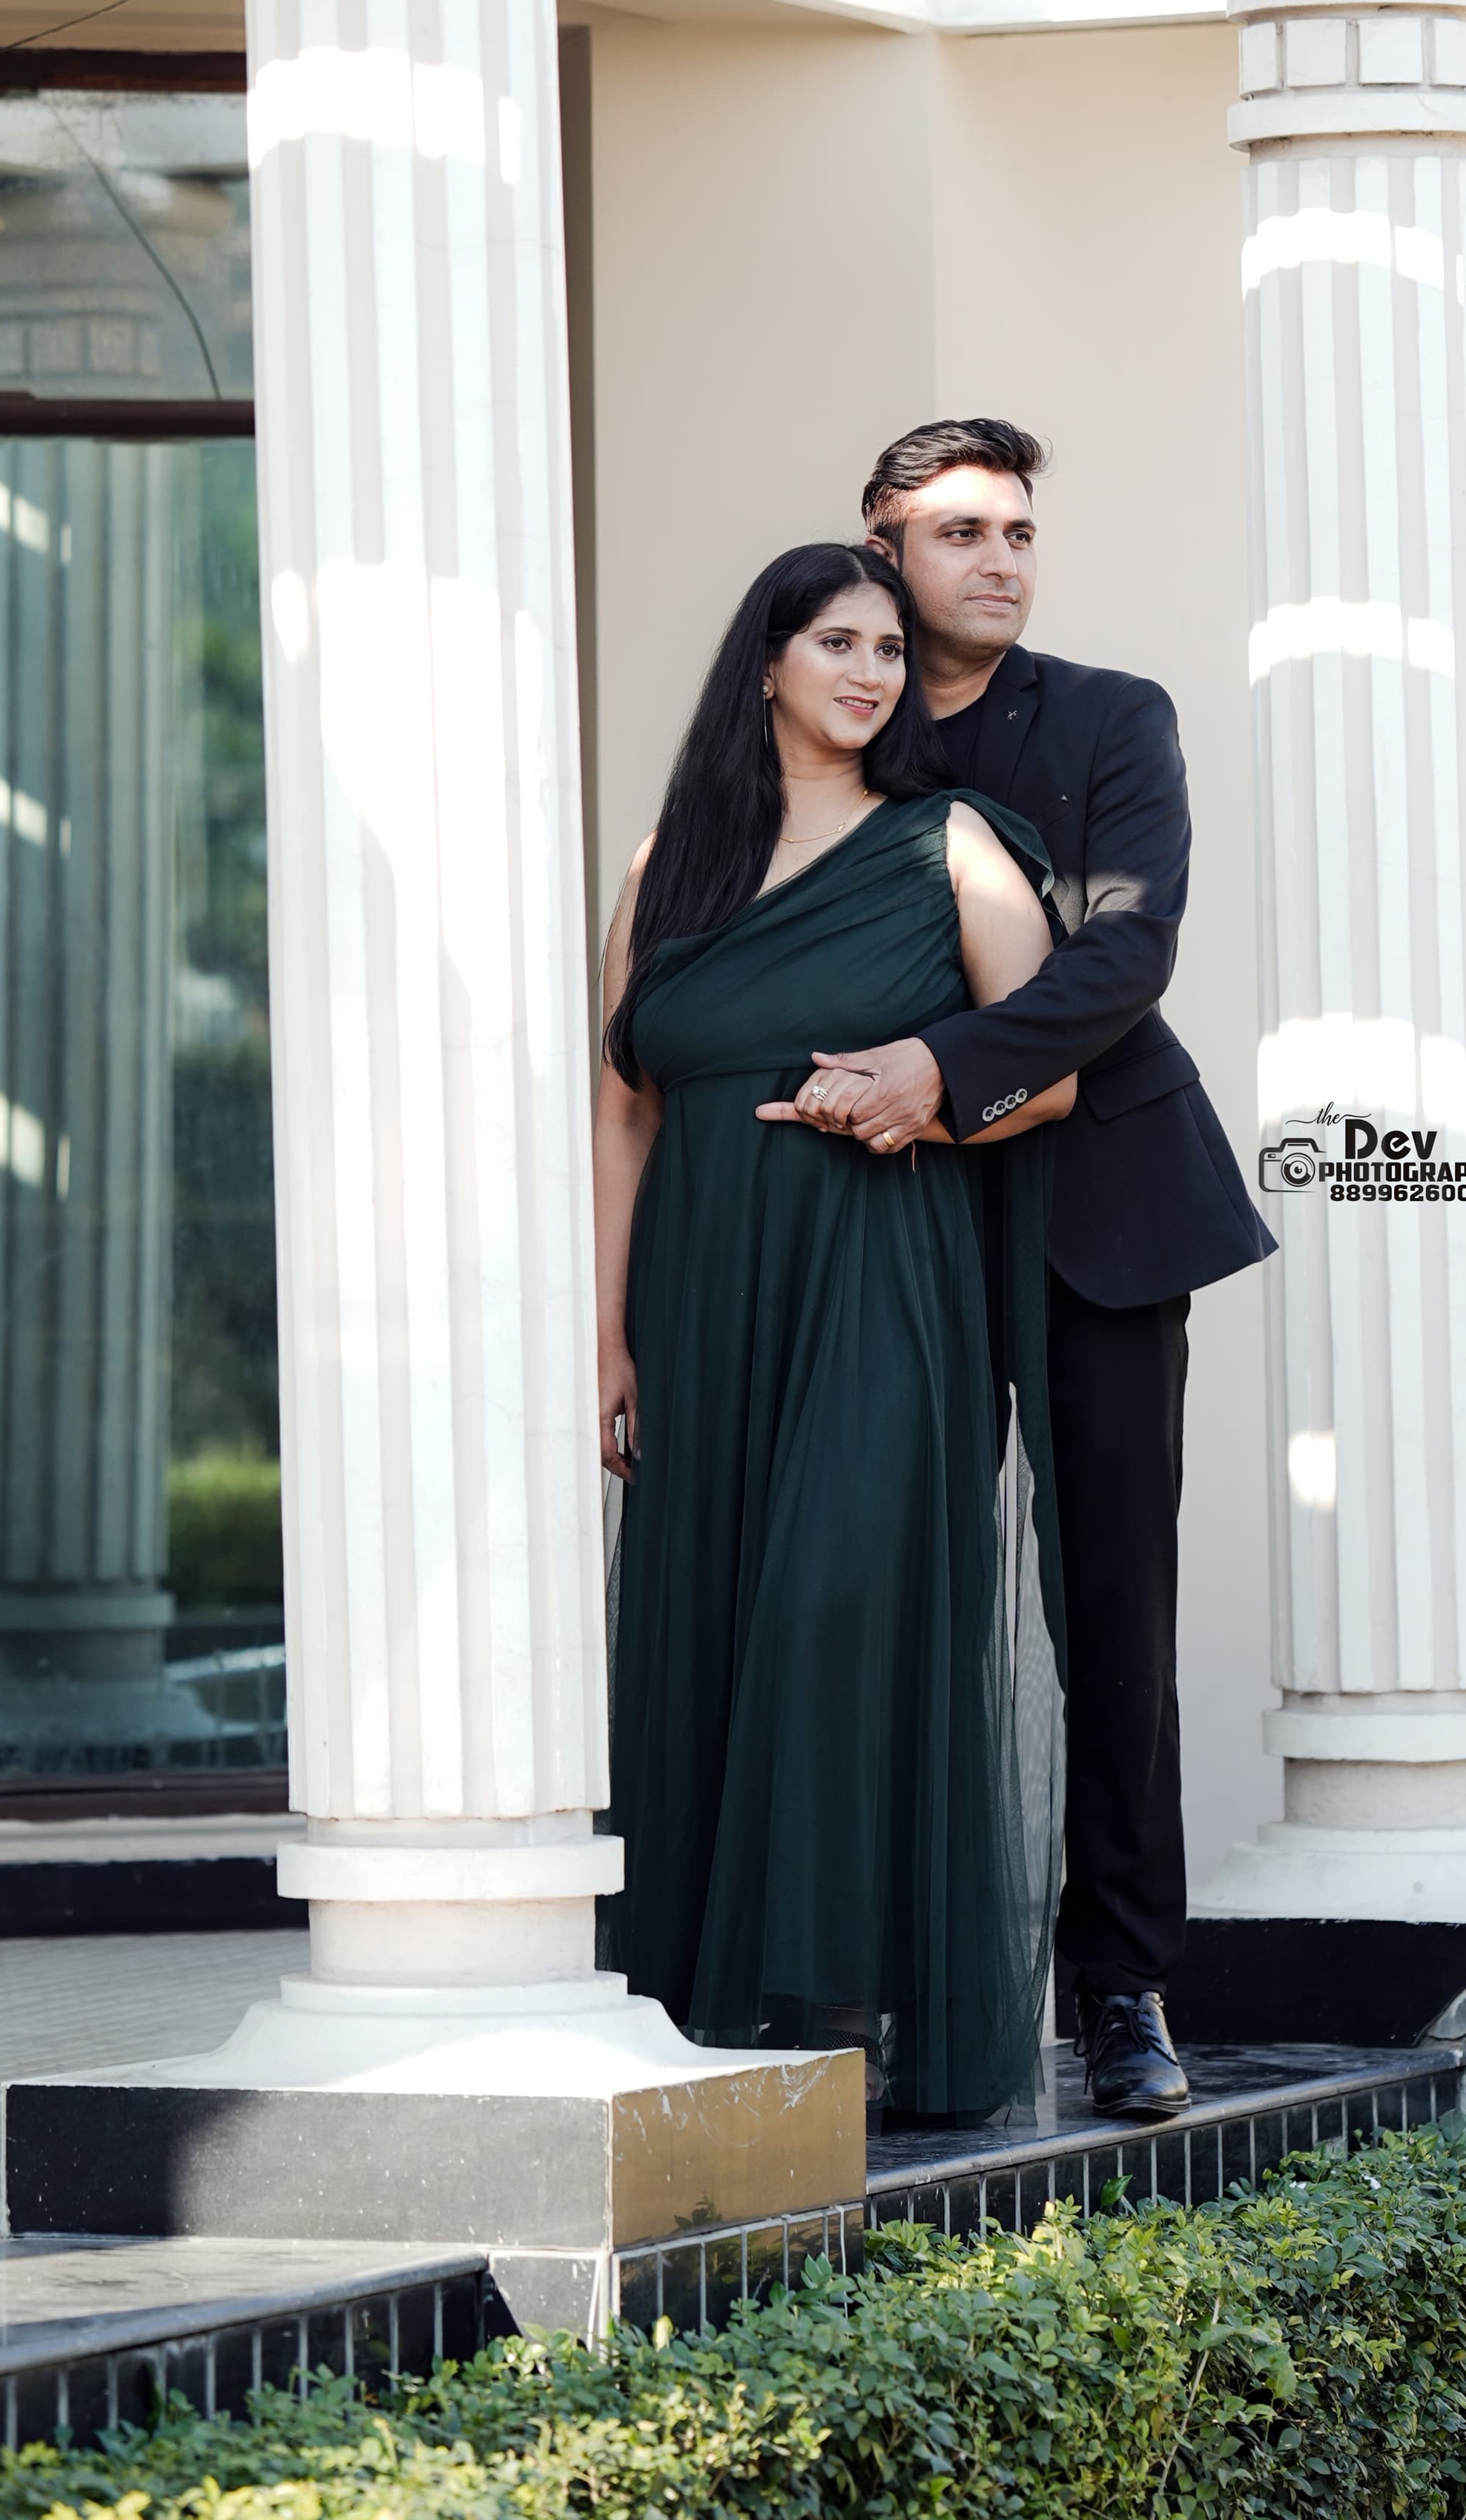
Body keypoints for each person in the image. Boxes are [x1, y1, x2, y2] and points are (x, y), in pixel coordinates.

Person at [765, 419, 1276, 2122]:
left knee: (1109, 1608)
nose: (998, 557)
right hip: (886, 1220)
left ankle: (1119, 1986)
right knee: (881, 1582)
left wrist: (941, 1064)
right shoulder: (839, 717)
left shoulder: (1115, 717)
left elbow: (1128, 946)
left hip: (1104, 1212)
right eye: (959, 530)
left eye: (1019, 531)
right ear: (881, 544)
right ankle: (875, 1964)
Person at [592, 539, 1074, 2131]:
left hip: (880, 1274)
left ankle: (840, 1999)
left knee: (835, 1604)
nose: (872, 672)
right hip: (703, 1293)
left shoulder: (949, 847)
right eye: (839, 643)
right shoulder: (673, 865)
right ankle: (715, 2015)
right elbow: (622, 1111)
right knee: (717, 1611)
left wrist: (923, 1096)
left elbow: (1051, 1063)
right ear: (769, 664)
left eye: (888, 647)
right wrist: (608, 1339)